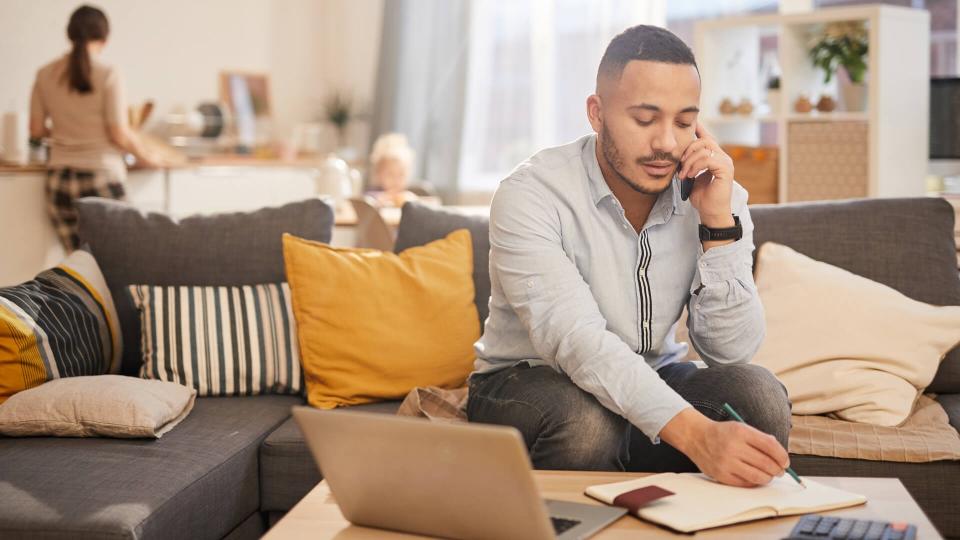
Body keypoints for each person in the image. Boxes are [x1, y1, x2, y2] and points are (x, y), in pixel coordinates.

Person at [467, 25, 792, 488]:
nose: (666, 143)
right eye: (645, 120)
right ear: (596, 114)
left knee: (759, 397)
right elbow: (578, 343)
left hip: (650, 376)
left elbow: (732, 352)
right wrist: (699, 437)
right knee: (585, 424)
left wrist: (717, 226)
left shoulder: (718, 195)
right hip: (529, 384)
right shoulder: (531, 194)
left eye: (683, 123)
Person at [30, 4, 160, 251]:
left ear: (70, 34)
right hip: (101, 178)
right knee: (126, 260)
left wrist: (66, 131)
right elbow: (118, 133)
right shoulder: (108, 73)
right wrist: (149, 157)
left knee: (80, 267)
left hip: (59, 182)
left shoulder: (44, 74)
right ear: (104, 38)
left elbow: (36, 130)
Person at [367, 132, 420, 207]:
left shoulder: (407, 196)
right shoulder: (372, 195)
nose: (396, 180)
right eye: (390, 174)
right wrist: (383, 199)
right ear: (379, 174)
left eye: (401, 174)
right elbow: (367, 204)